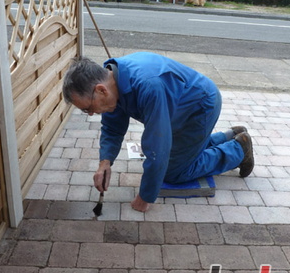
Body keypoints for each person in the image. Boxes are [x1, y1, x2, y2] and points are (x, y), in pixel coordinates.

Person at [62, 52, 254, 212]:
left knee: (173, 171)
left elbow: (157, 146)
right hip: (179, 107)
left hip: (200, 107)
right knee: (177, 153)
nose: (90, 114)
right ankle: (228, 136)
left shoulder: (148, 86)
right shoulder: (113, 79)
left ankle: (238, 150)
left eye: (88, 108)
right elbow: (112, 128)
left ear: (101, 90)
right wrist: (105, 163)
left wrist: (145, 197)